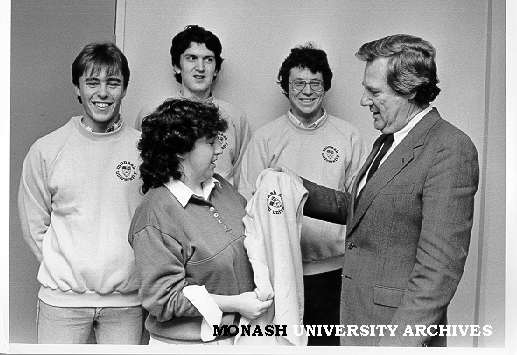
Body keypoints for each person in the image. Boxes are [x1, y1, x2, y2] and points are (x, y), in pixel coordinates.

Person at [284, 34, 479, 347]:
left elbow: (437, 274)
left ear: (410, 88)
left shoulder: (450, 148)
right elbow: (365, 209)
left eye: (374, 91)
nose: (364, 100)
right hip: (358, 322)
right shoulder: (386, 141)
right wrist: (297, 187)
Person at [238, 43, 367, 346]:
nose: (307, 91)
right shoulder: (265, 138)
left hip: (334, 274)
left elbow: (360, 206)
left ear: (325, 87)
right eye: (298, 82)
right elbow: (247, 205)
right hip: (278, 276)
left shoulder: (348, 136)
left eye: (315, 83)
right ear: (286, 87)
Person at [18, 42, 145, 344]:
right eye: (92, 82)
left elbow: (154, 223)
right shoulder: (47, 149)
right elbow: (34, 225)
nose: (103, 93)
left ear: (124, 89)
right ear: (77, 89)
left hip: (126, 305)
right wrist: (67, 271)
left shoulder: (145, 150)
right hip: (61, 305)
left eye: (113, 83)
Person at [128, 99, 272, 345]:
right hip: (187, 346)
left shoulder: (221, 188)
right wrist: (236, 304)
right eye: (210, 142)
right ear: (179, 150)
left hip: (236, 338)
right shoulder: (155, 215)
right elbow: (163, 300)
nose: (219, 150)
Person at [135, 25, 251, 185]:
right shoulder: (154, 113)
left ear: (216, 69)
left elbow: (243, 177)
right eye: (191, 58)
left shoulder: (235, 117)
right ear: (177, 66)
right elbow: (143, 171)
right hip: (169, 207)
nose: (201, 68)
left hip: (221, 206)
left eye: (208, 59)